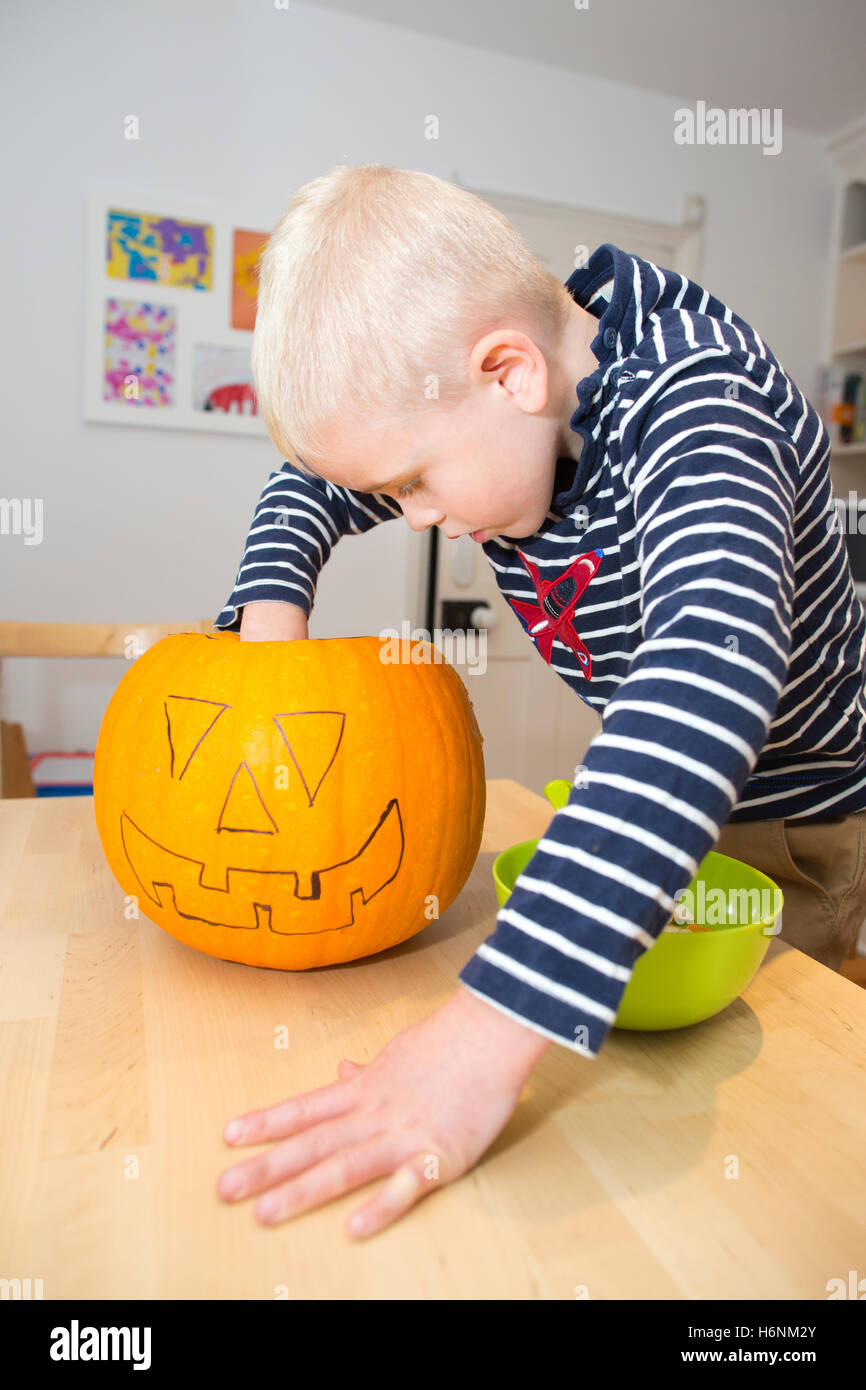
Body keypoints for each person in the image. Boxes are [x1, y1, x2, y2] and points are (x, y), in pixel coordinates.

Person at [214, 164, 866, 1240]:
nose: (411, 517)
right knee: (620, 1096)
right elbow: (314, 480)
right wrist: (270, 622)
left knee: (760, 1132)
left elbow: (703, 673)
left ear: (508, 372)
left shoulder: (699, 405)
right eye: (393, 495)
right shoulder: (491, 384)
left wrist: (484, 1028)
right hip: (672, 806)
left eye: (416, 482)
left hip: (793, 820)